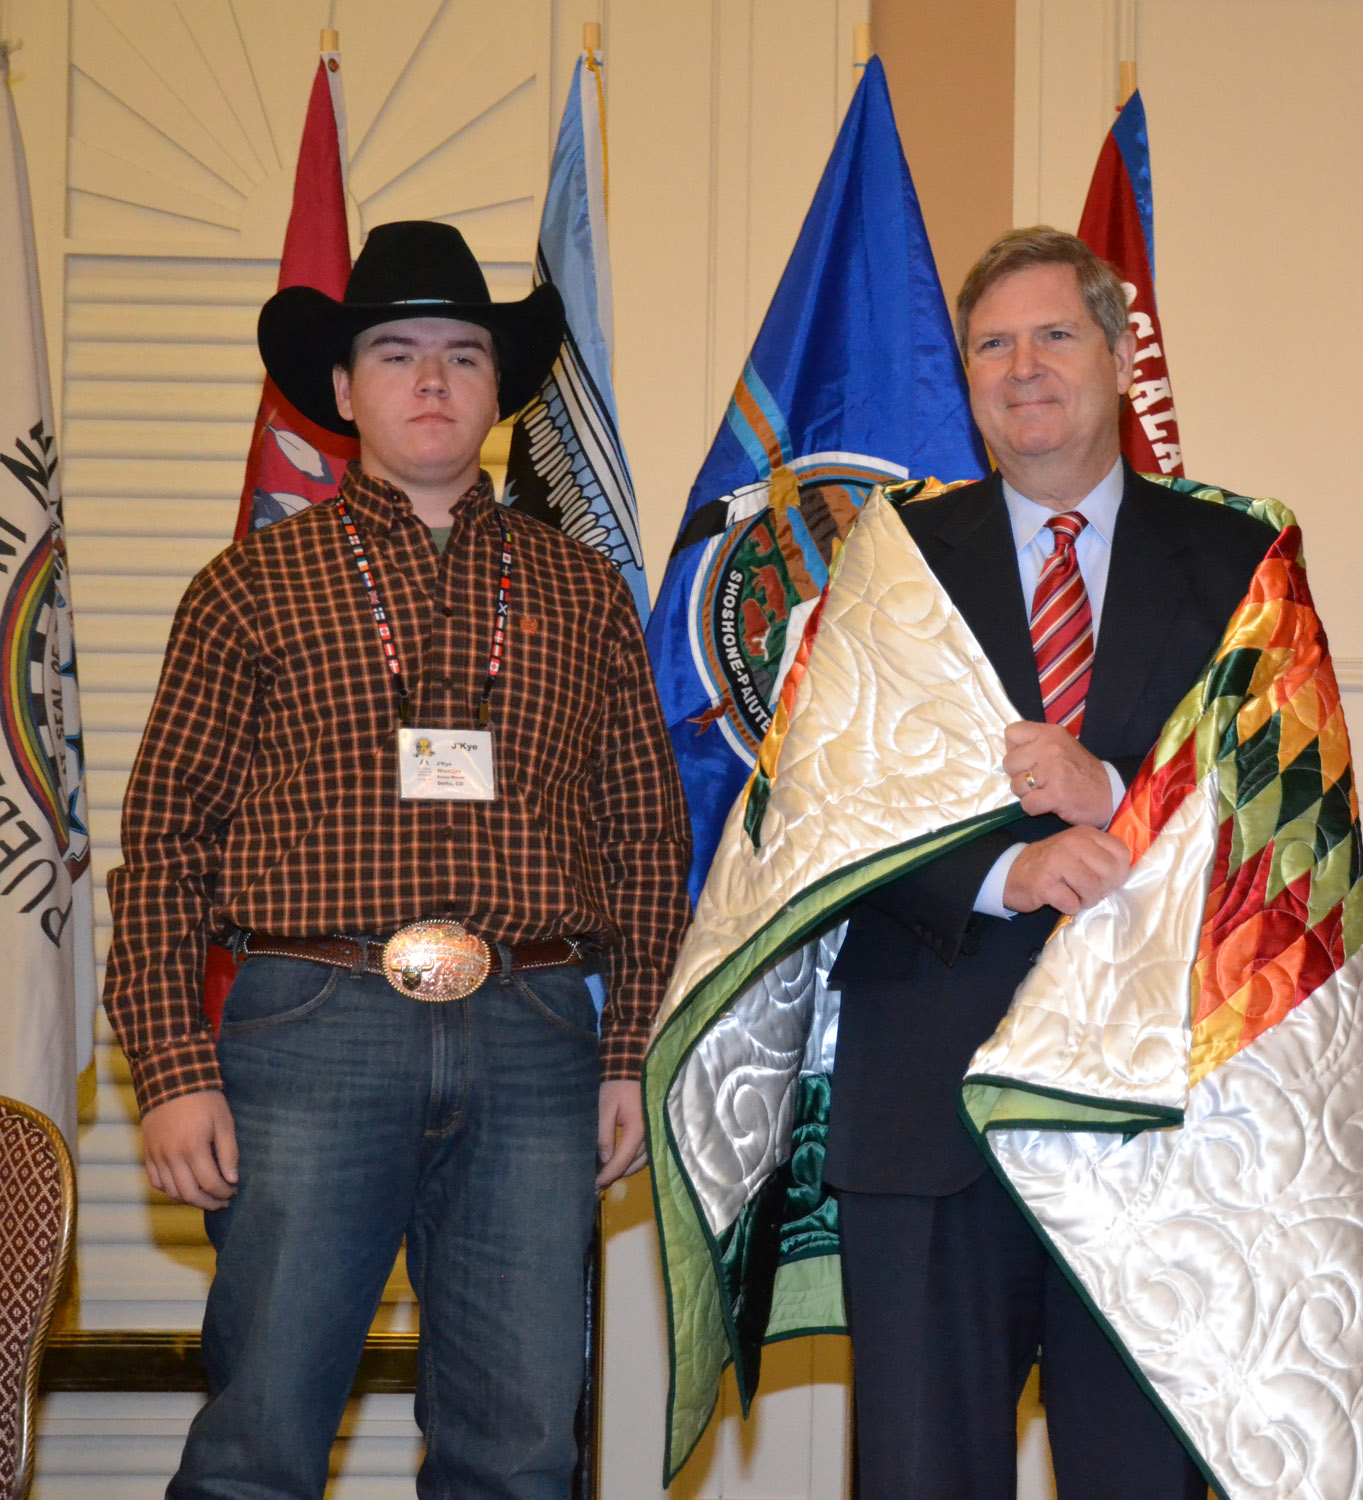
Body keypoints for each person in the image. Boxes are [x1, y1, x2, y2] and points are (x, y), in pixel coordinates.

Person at [102, 220, 692, 1500]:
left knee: (523, 1449)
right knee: (261, 1434)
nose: (432, 380)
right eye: (396, 351)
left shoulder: (584, 594)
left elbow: (648, 841)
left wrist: (631, 1052)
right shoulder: (247, 587)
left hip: (539, 1035)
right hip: (308, 1028)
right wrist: (170, 1066)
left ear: (498, 391)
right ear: (341, 389)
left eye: (463, 354)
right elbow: (161, 847)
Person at [816, 226, 1280, 1500]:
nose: (1023, 367)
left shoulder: (1243, 557)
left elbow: (1289, 833)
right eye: (991, 345)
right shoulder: (887, 558)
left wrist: (1120, 799)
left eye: (1054, 335)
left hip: (1154, 1119)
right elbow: (823, 799)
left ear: (1122, 357)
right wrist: (998, 875)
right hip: (928, 1104)